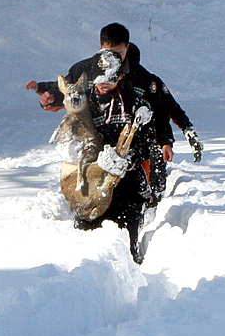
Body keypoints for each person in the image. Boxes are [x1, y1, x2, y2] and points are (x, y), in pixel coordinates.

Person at [54, 48, 171, 264]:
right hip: (94, 181)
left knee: (127, 240)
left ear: (120, 77)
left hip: (128, 182)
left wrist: (128, 161)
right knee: (87, 244)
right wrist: (74, 150)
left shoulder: (136, 103)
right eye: (100, 79)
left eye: (110, 79)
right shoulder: (85, 102)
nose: (104, 85)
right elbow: (70, 131)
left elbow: (147, 142)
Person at [25, 22, 203, 162]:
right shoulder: (85, 69)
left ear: (127, 47)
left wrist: (174, 138)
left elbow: (164, 107)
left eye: (119, 53)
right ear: (101, 46)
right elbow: (68, 90)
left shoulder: (141, 77)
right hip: (94, 140)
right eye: (108, 52)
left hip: (131, 145)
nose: (114, 58)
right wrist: (50, 96)